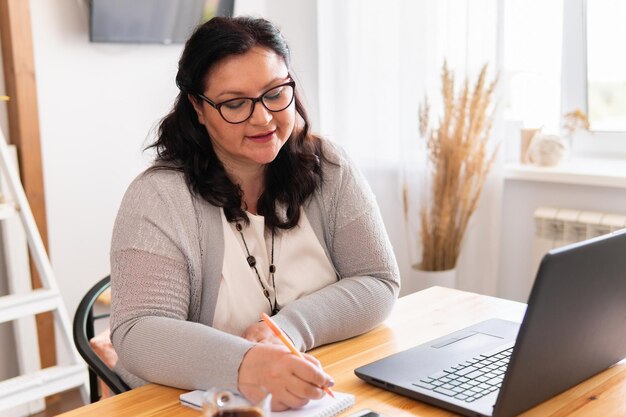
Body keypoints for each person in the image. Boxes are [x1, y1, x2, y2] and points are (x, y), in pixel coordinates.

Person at [110, 16, 400, 411]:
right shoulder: (159, 196)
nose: (263, 118)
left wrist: (287, 329)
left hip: (324, 387)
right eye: (234, 103)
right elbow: (137, 333)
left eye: (275, 93)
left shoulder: (328, 165)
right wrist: (248, 364)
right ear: (198, 106)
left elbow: (377, 280)